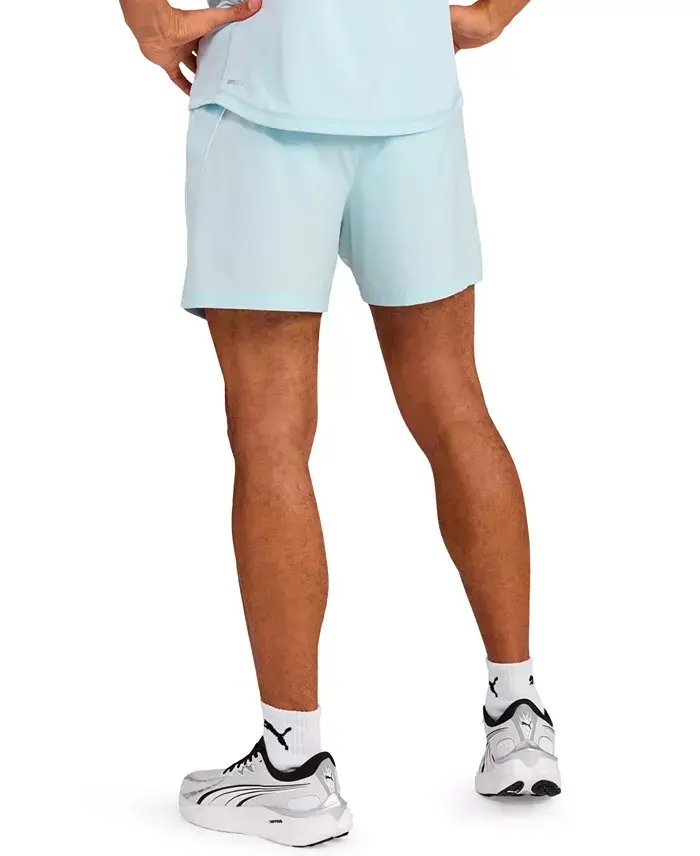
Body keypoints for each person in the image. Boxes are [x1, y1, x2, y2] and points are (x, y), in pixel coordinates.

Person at [121, 0, 561, 846]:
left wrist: (146, 16)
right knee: (455, 407)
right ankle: (519, 715)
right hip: (411, 102)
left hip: (264, 97)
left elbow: (150, 21)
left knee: (271, 436)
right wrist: (493, 14)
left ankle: (292, 771)